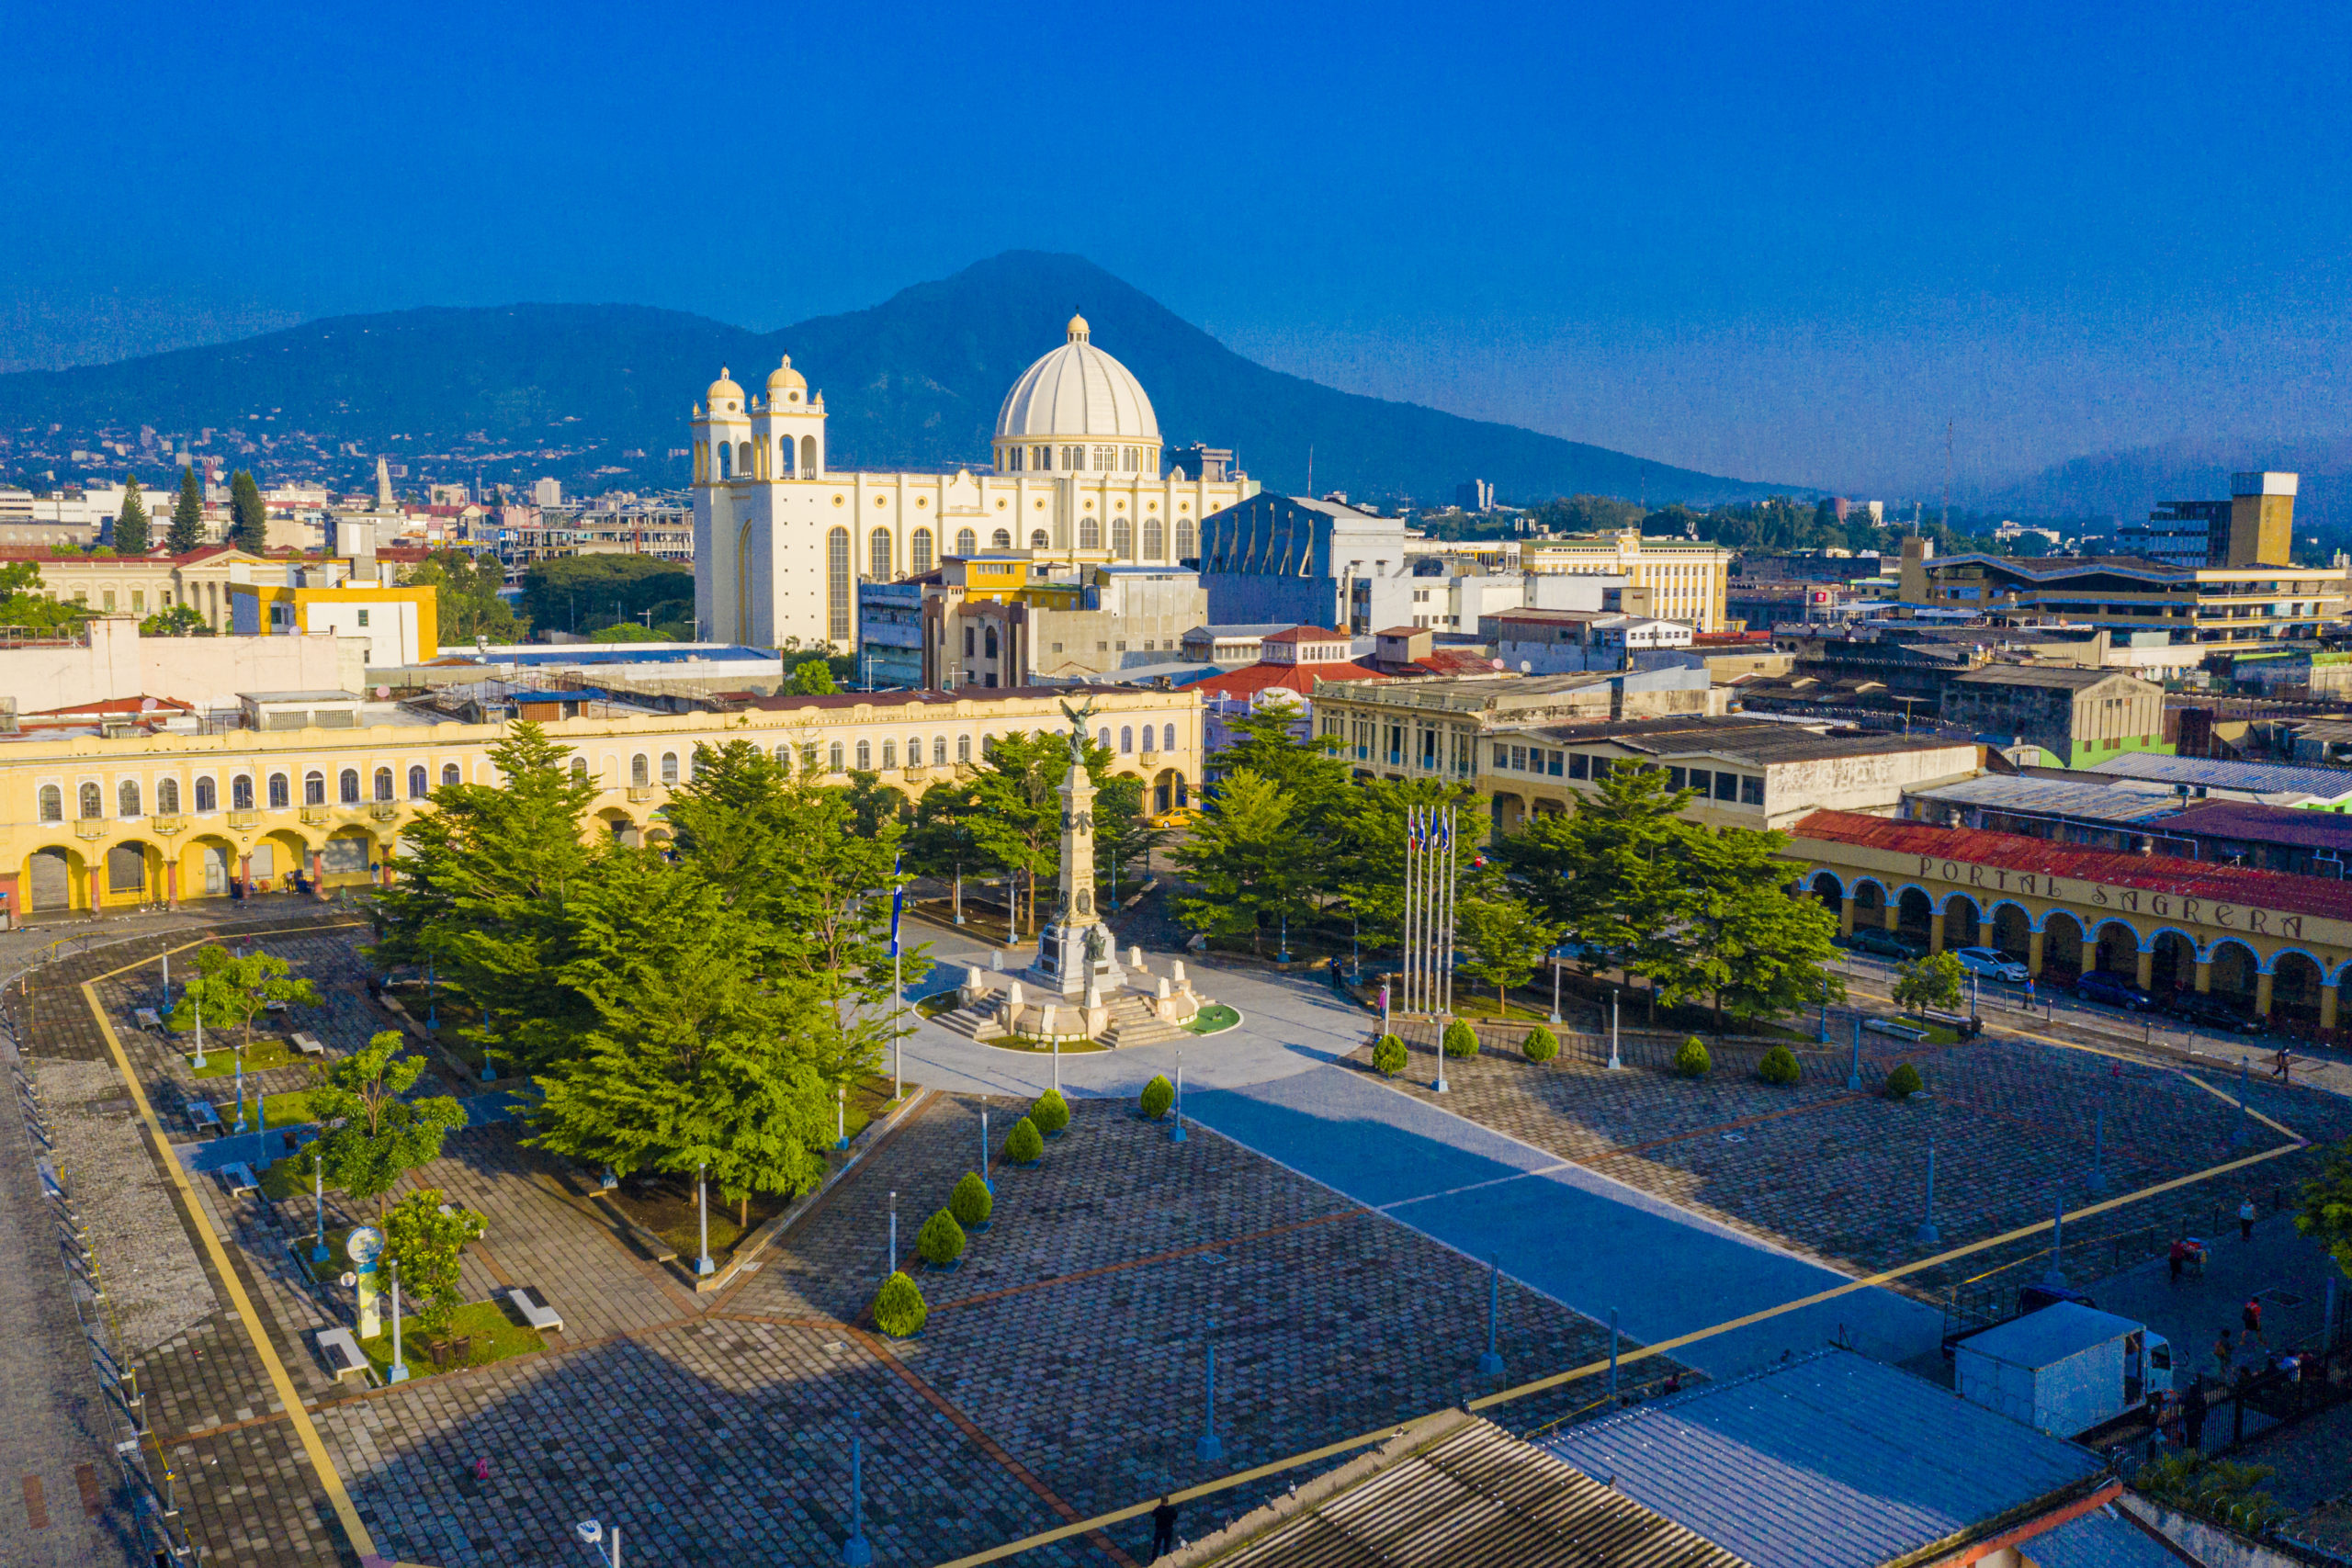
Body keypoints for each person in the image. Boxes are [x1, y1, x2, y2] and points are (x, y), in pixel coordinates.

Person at [1148, 1497, 1179, 1562]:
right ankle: (1166, 1559)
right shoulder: (1172, 1509)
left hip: (1160, 1529)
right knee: (1167, 1546)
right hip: (1168, 1529)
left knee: (1156, 1546)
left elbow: (1152, 1514)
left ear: (1161, 1501)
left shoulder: (1159, 1509)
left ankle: (1154, 1560)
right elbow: (1175, 1517)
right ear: (1167, 1501)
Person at [2182, 1379, 2208, 1452]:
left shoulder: (2191, 1398)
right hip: (2196, 1419)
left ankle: (2192, 1446)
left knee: (2191, 1433)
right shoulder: (2199, 1398)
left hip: (2191, 1419)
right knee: (2195, 1432)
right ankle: (2194, 1446)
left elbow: (2186, 1405)